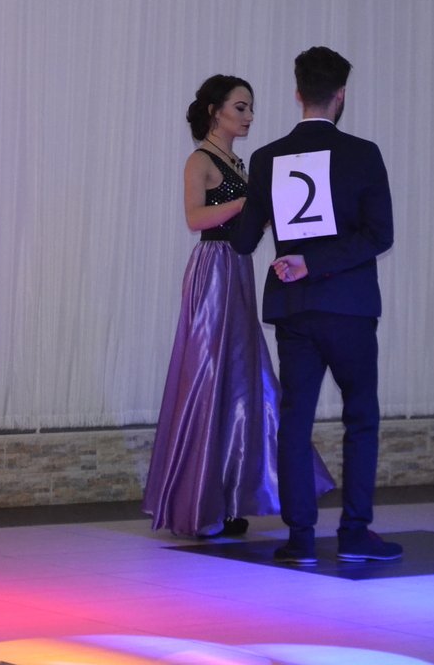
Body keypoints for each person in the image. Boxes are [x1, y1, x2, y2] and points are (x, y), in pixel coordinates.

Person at [142, 76, 334, 538]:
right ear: (215, 111)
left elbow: (249, 219)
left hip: (238, 268)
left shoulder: (236, 162)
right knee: (209, 377)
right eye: (240, 107)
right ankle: (202, 503)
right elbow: (195, 218)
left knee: (241, 382)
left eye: (250, 108)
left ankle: (229, 498)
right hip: (214, 270)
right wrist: (250, 200)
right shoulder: (200, 160)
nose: (249, 117)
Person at [231, 46, 400, 565]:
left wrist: (244, 193)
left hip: (295, 307)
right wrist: (320, 262)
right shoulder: (362, 154)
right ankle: (354, 534)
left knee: (295, 419)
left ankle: (300, 538)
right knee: (361, 418)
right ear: (340, 95)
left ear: (297, 92)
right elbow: (380, 235)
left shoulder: (267, 158)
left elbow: (243, 239)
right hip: (348, 306)